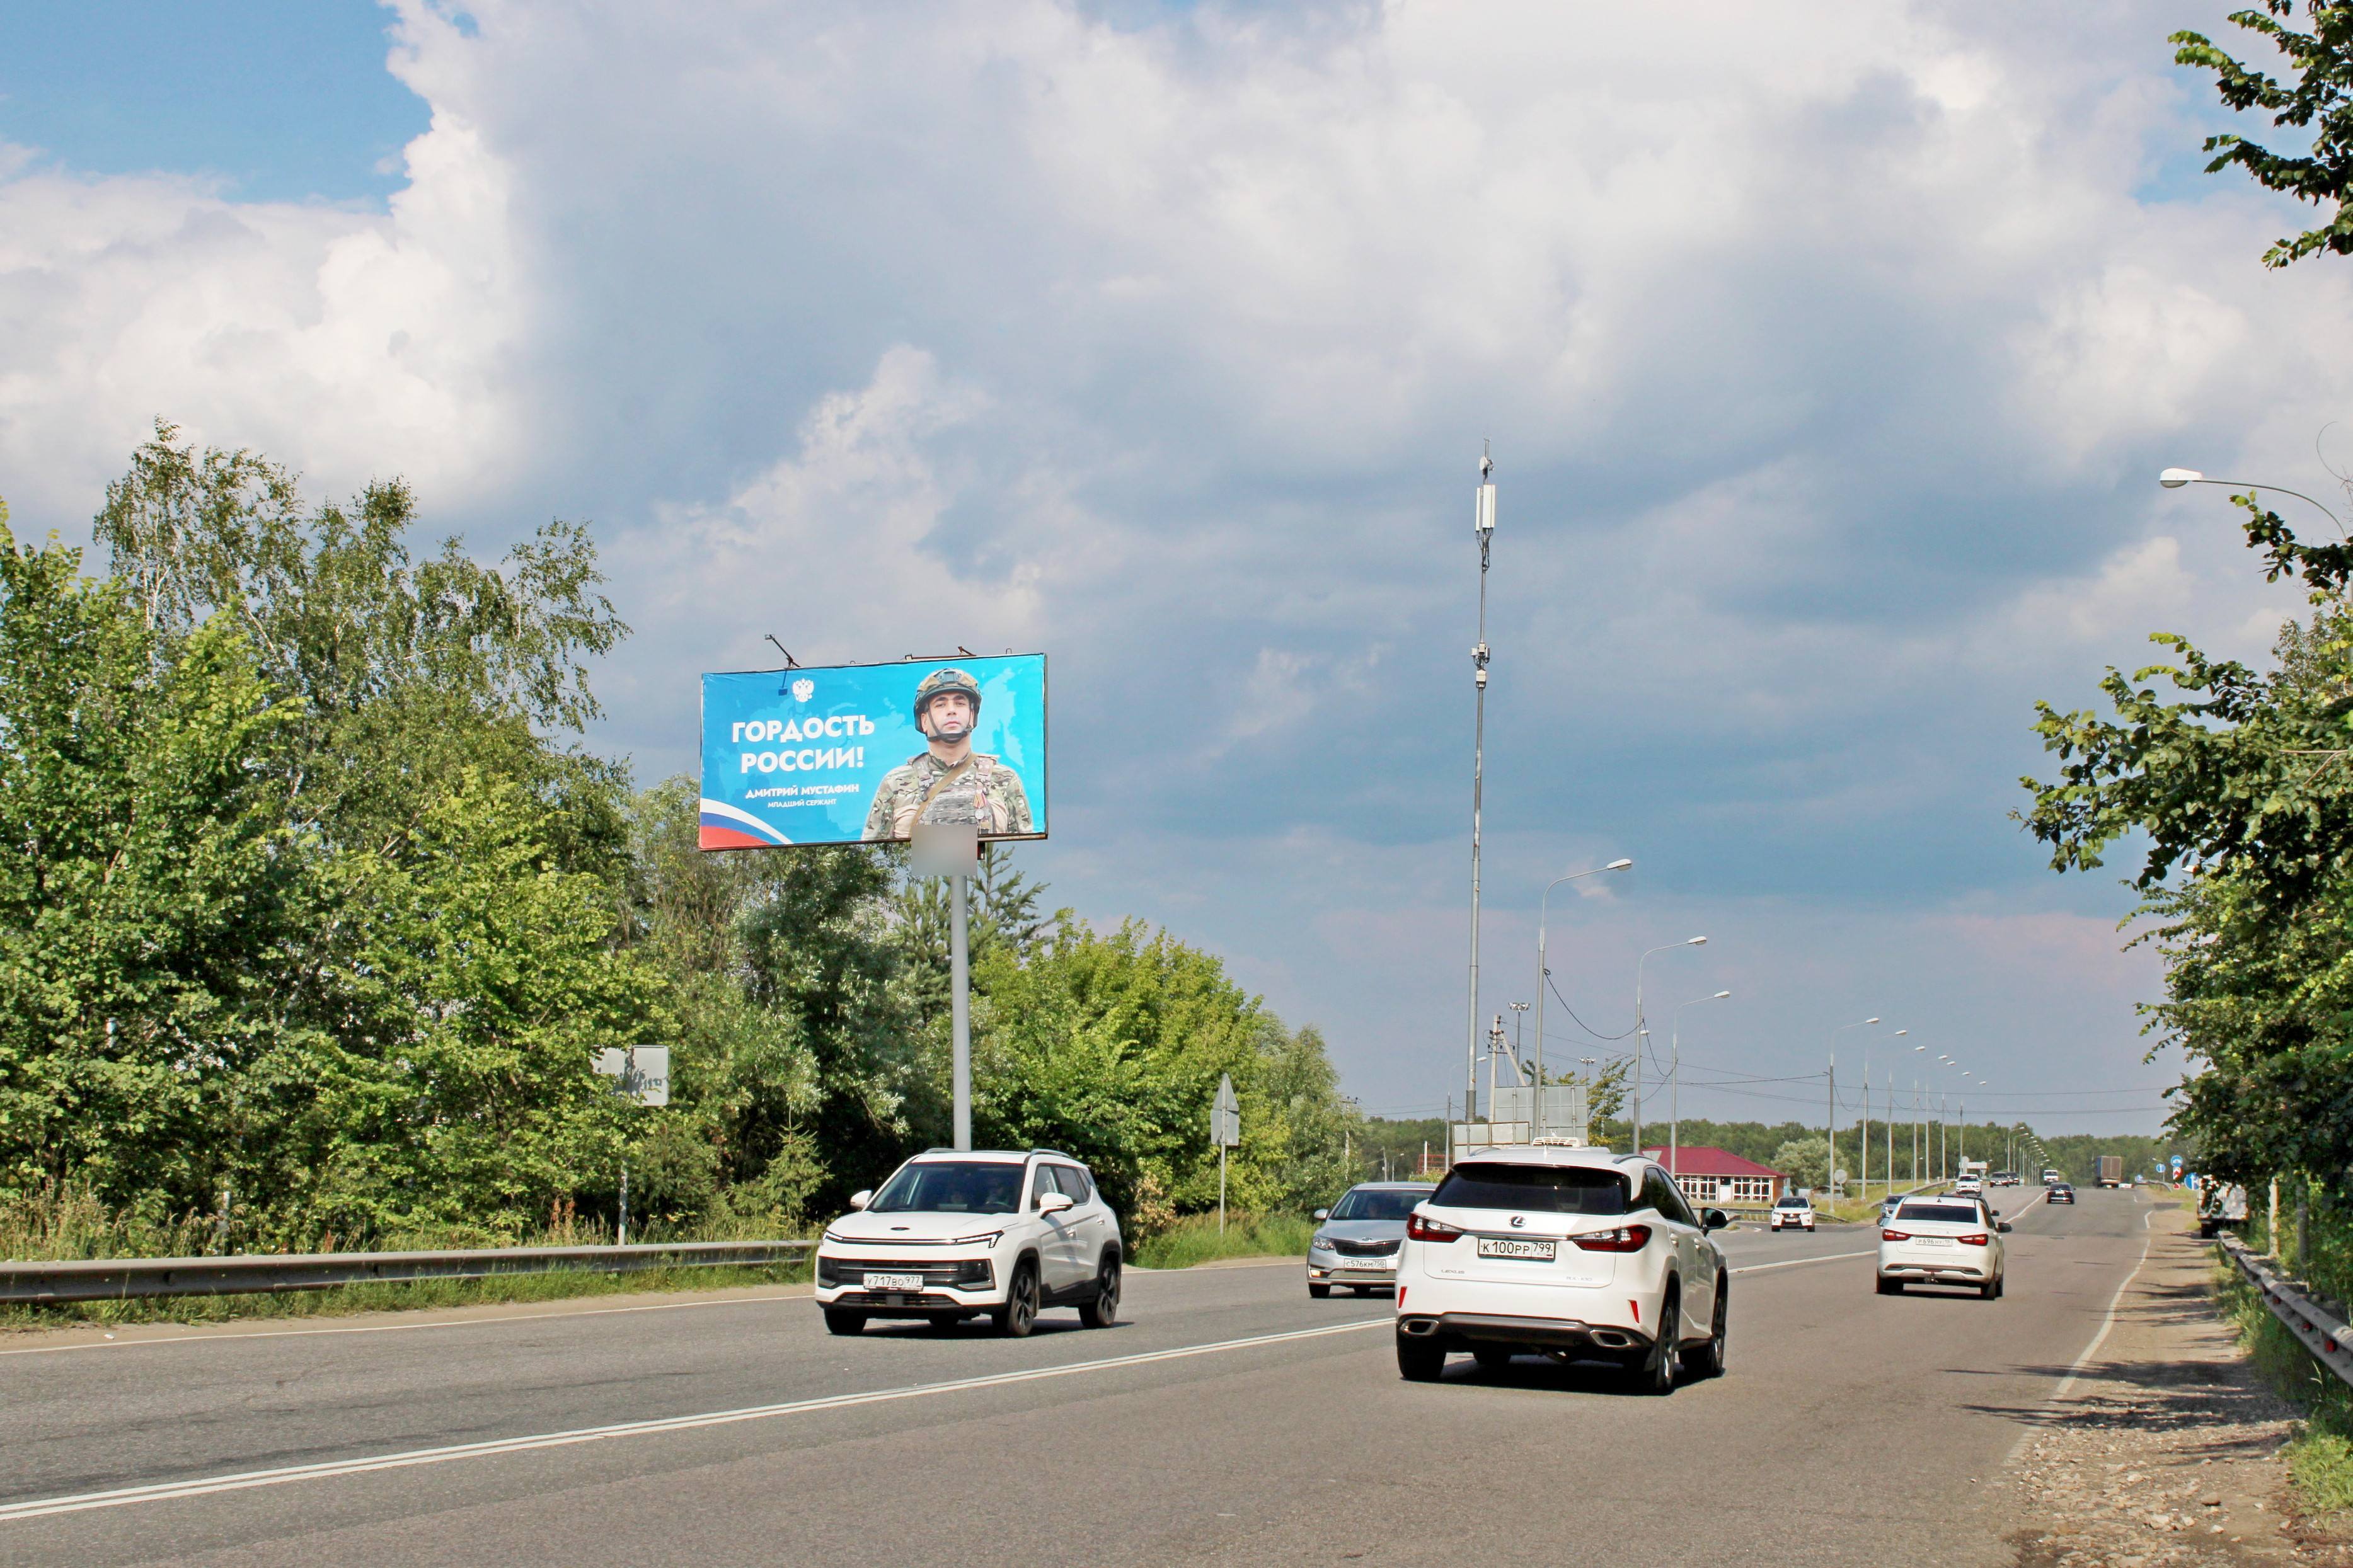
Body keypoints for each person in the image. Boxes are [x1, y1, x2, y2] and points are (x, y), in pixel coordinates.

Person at [861, 667, 1036, 840]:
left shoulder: (1004, 779)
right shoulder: (895, 783)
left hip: (985, 869)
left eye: (960, 703)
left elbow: (1022, 856)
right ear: (924, 721)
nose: (951, 710)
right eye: (941, 704)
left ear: (972, 715)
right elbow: (871, 857)